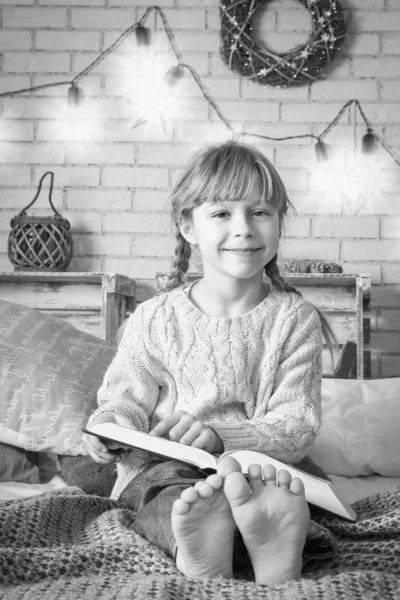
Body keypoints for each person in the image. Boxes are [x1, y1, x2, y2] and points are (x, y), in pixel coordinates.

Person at [82, 140, 337, 584]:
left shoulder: (295, 319)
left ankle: (276, 543)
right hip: (173, 467)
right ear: (188, 226)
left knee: (286, 490)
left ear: (278, 223)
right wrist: (111, 424)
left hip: (261, 462)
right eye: (221, 213)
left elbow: (295, 424)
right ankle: (200, 543)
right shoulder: (155, 316)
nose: (244, 228)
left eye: (260, 212)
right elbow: (125, 395)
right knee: (166, 492)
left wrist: (221, 437)